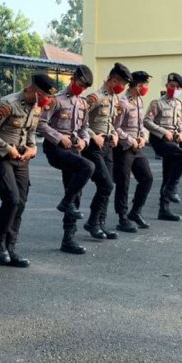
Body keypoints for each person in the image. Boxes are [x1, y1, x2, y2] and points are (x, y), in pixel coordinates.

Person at [0, 73, 58, 268]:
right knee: (12, 199)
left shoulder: (37, 107)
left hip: (22, 159)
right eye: (44, 95)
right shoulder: (8, 103)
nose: (47, 100)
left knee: (21, 203)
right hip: (0, 157)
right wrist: (8, 149)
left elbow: (31, 132)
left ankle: (10, 246)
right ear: (32, 89)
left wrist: (32, 148)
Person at [38, 65, 95, 254]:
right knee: (87, 167)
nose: (82, 89)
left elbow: (84, 127)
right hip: (55, 148)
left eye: (85, 87)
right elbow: (41, 124)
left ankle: (68, 239)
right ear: (73, 79)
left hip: (73, 148)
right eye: (80, 84)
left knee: (75, 191)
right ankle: (65, 202)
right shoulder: (56, 100)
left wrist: (84, 141)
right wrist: (58, 137)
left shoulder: (84, 103)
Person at [83, 62, 133, 239]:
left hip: (108, 146)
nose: (123, 88)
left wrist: (114, 133)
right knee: (106, 184)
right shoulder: (94, 97)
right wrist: (91, 135)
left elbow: (110, 122)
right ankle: (92, 222)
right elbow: (80, 121)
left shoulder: (114, 98)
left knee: (107, 185)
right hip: (94, 146)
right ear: (113, 80)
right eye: (122, 84)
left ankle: (100, 223)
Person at [144, 72, 182, 221]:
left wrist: (181, 133)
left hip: (173, 141)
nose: (174, 89)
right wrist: (163, 132)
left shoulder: (178, 104)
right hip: (159, 140)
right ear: (166, 86)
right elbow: (147, 121)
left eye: (177, 87)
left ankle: (164, 210)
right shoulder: (157, 103)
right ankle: (171, 189)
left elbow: (179, 122)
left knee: (168, 172)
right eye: (172, 86)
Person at [112, 70, 154, 232]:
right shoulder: (123, 103)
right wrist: (130, 141)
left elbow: (140, 124)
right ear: (137, 85)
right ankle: (122, 217)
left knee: (147, 178)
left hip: (137, 147)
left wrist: (143, 137)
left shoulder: (139, 101)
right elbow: (115, 128)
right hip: (124, 148)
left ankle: (135, 211)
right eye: (144, 85)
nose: (146, 88)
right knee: (124, 183)